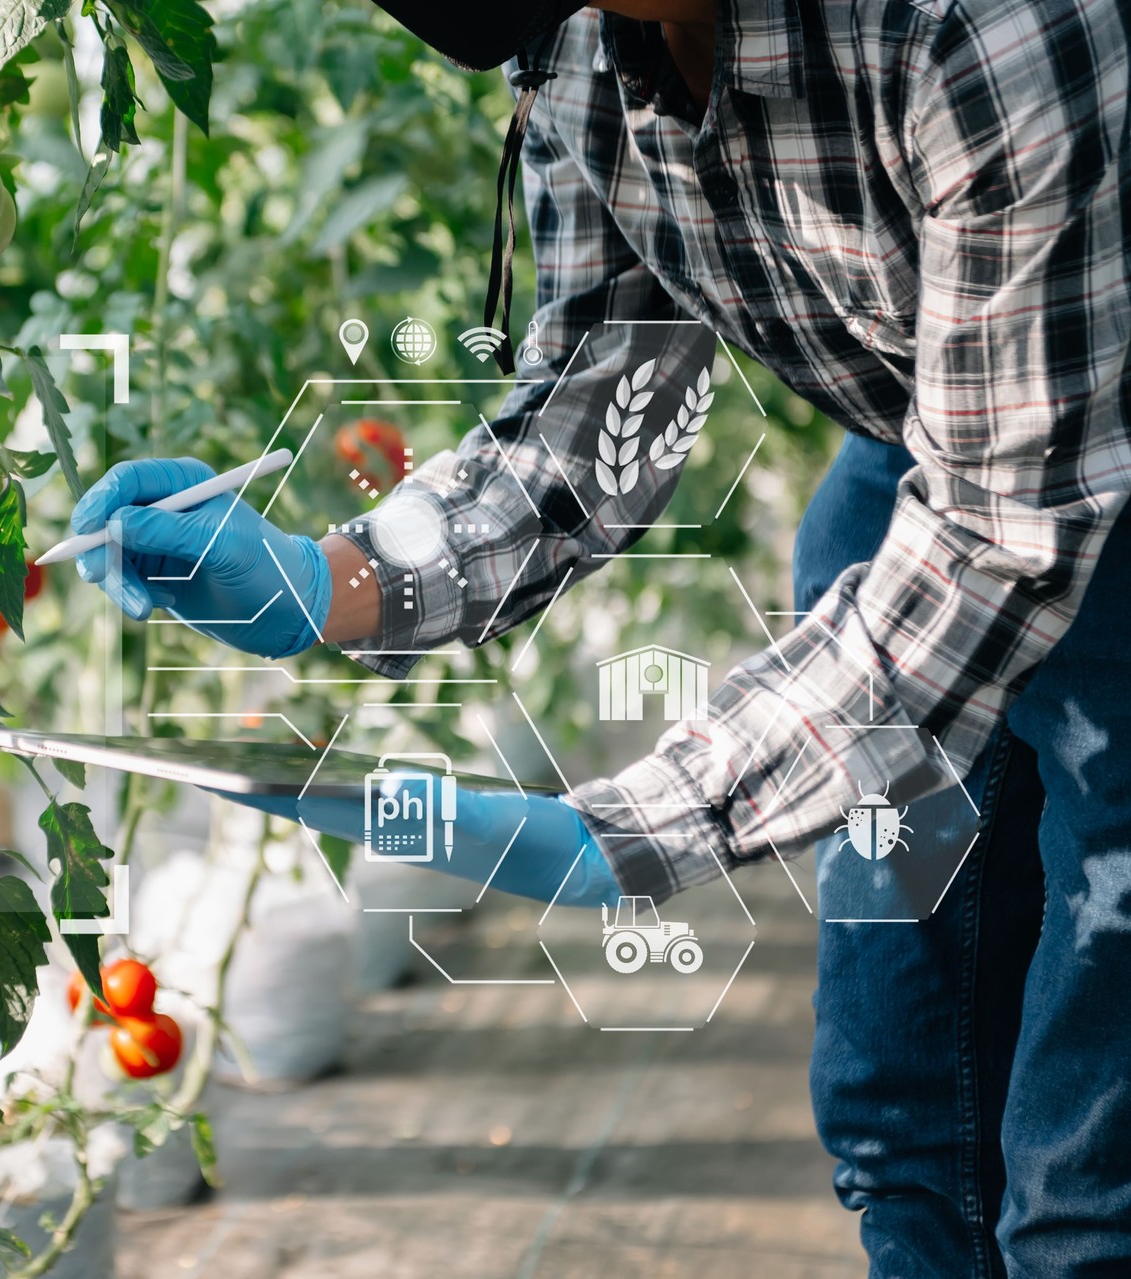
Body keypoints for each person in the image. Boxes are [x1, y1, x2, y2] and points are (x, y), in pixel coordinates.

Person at [66, 2, 1131, 1275]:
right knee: (897, 1095)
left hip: (1051, 467)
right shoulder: (578, 43)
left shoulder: (979, 26)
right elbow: (600, 401)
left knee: (1086, 1175)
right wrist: (331, 583)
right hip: (923, 434)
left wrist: (639, 828)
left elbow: (1001, 527)